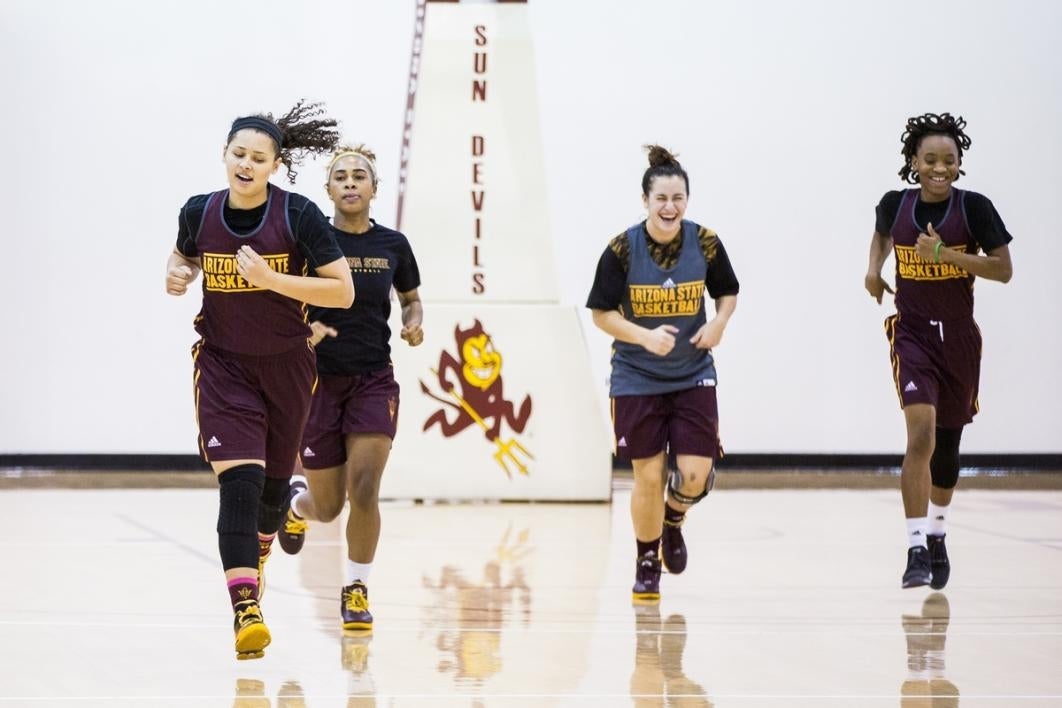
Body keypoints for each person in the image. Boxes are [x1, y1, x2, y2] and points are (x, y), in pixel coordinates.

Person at [165, 102, 354, 660]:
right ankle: (246, 608)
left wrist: (272, 278)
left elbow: (341, 291)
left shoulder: (299, 216)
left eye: (258, 158)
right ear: (224, 155)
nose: (246, 164)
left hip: (288, 366)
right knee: (240, 487)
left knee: (272, 495)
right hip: (223, 366)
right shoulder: (198, 212)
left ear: (275, 164)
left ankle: (265, 544)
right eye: (238, 154)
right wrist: (177, 275)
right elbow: (180, 259)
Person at [274, 144, 423, 632]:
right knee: (328, 505)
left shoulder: (394, 246)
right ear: (329, 191)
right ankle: (296, 508)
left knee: (365, 488)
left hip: (373, 379)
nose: (351, 183)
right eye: (341, 177)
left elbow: (411, 300)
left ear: (374, 189)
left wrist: (413, 322)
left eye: (360, 176)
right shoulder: (312, 244)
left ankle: (356, 587)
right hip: (317, 384)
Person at [865, 112, 1013, 589]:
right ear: (914, 161)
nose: (939, 167)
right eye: (929, 158)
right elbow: (883, 234)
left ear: (958, 164)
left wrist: (946, 255)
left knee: (947, 452)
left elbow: (1003, 269)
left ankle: (937, 533)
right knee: (921, 436)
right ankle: (913, 549)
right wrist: (873, 270)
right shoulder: (895, 203)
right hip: (911, 334)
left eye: (949, 159)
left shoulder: (975, 209)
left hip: (959, 340)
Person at [586, 145, 739, 603]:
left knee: (694, 474)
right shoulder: (621, 249)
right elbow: (600, 313)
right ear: (645, 201)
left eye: (678, 198)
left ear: (686, 201)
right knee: (647, 477)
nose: (670, 207)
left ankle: (675, 517)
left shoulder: (706, 242)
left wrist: (718, 322)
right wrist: (642, 336)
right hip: (636, 377)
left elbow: (728, 293)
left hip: (692, 373)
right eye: (661, 199)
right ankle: (646, 561)